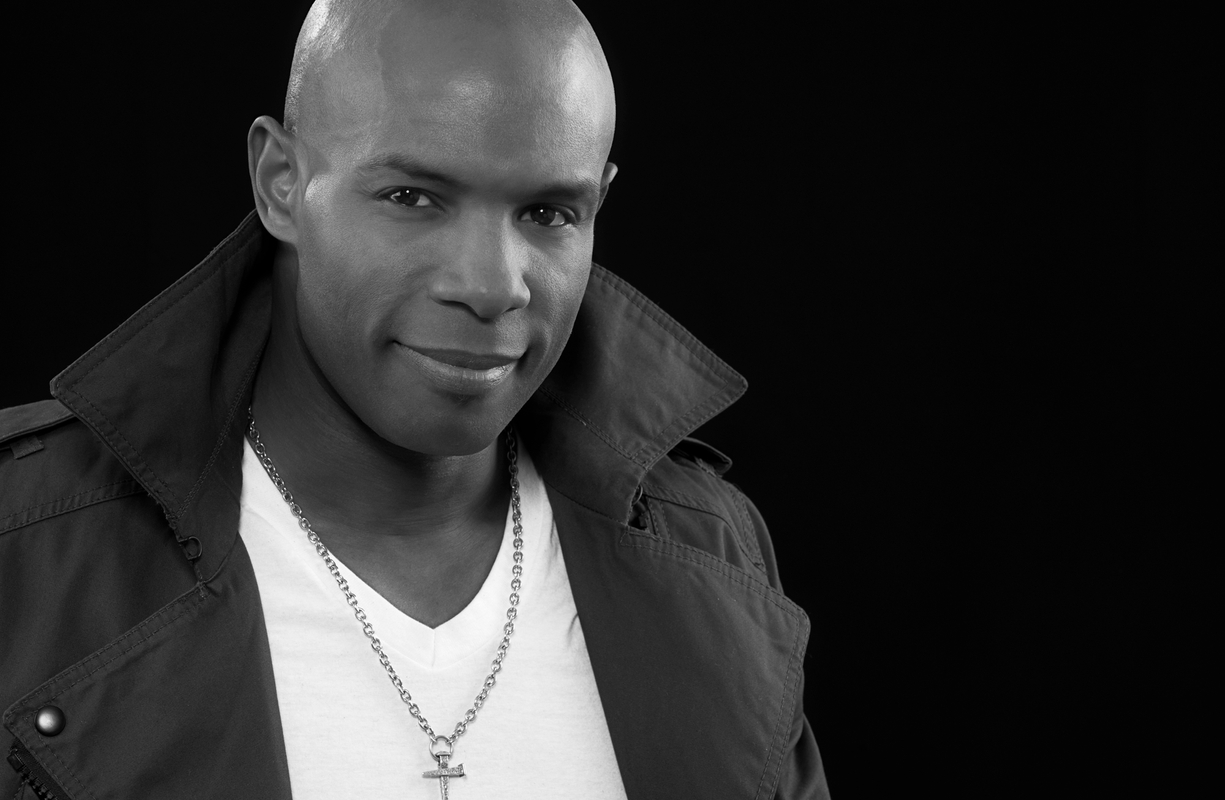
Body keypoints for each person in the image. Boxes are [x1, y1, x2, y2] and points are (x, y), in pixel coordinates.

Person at [0, 0, 828, 797]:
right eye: (412, 198)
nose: (491, 286)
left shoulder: (711, 547)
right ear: (281, 182)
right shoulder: (25, 546)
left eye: (548, 213)